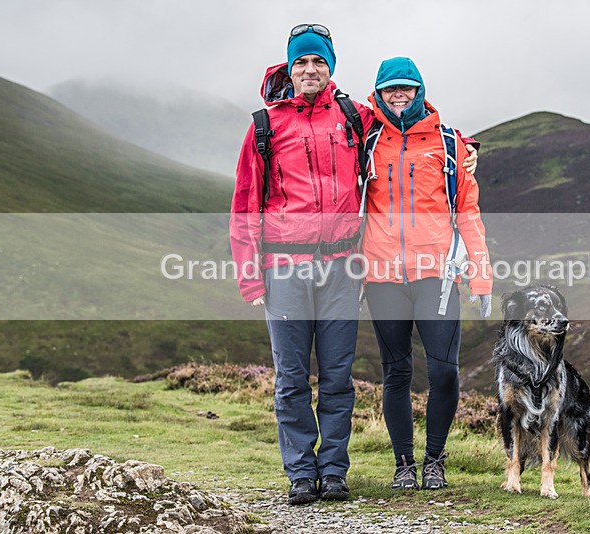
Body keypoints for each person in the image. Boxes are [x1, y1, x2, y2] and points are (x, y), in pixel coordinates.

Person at [229, 26, 478, 505]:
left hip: (342, 266)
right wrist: (249, 275)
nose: (309, 71)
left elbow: (404, 122)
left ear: (330, 68)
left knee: (339, 377)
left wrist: (464, 146)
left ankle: (335, 471)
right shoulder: (265, 126)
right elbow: (244, 205)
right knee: (291, 377)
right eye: (301, 63)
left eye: (318, 63)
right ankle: (302, 472)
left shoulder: (351, 116)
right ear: (289, 67)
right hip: (285, 269)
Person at [361, 57, 493, 491]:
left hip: (437, 274)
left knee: (444, 372)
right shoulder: (366, 138)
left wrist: (481, 276)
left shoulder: (450, 144)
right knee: (396, 373)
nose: (398, 96)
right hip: (382, 277)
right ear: (378, 94)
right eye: (389, 90)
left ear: (420, 91)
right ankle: (403, 464)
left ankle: (434, 459)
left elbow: (468, 213)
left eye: (406, 88)